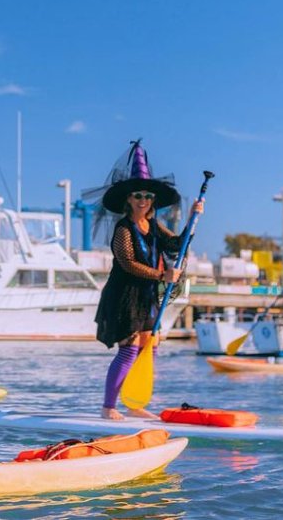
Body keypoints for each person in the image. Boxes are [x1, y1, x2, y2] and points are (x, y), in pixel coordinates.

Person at [92, 140, 202, 420]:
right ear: (129, 199)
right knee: (129, 350)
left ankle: (134, 403)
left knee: (148, 349)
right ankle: (108, 408)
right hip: (125, 295)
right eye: (138, 195)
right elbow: (128, 263)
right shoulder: (123, 228)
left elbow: (177, 244)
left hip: (148, 296)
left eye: (148, 196)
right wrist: (162, 275)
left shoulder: (152, 225)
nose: (144, 200)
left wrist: (192, 218)